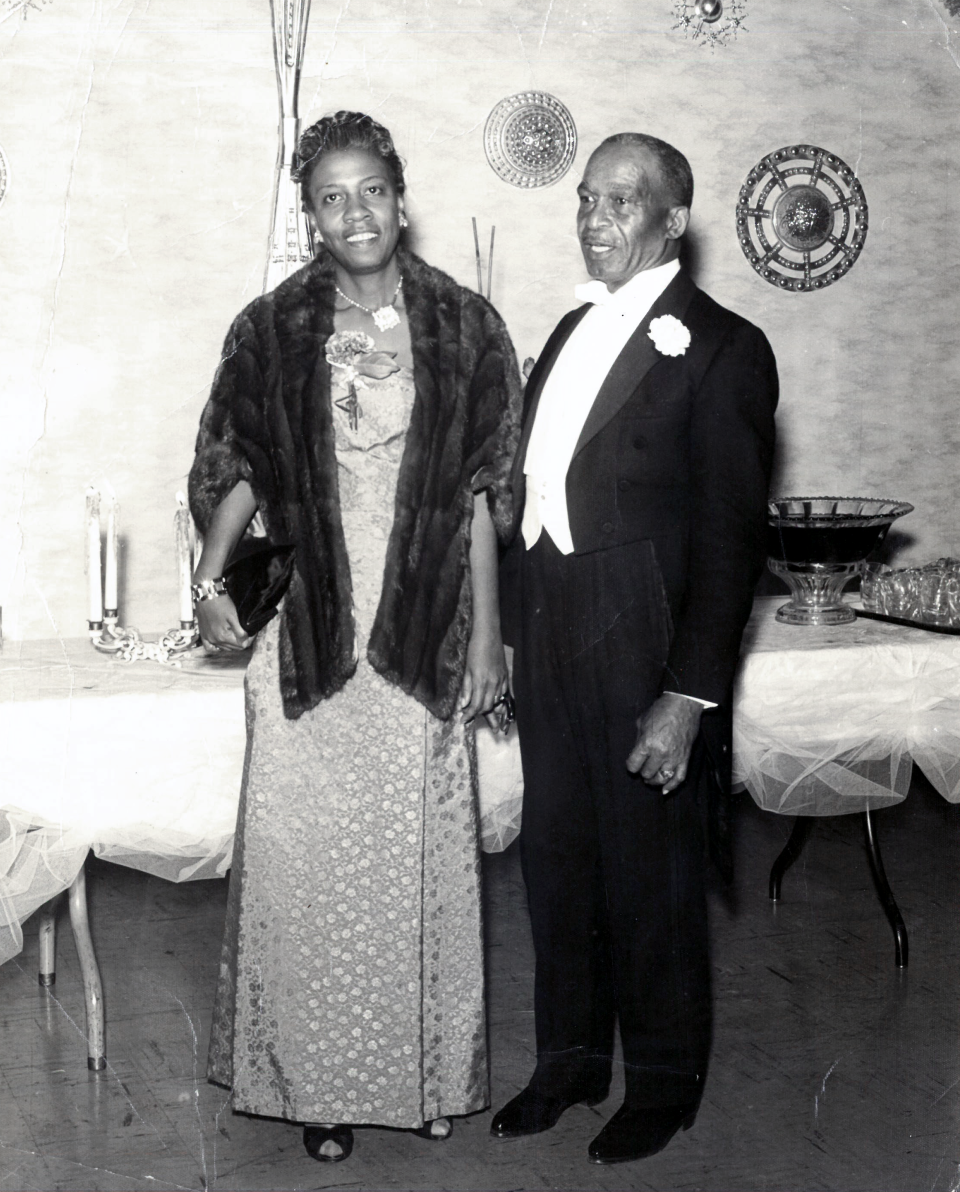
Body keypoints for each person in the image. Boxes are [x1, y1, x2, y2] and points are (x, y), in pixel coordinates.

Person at [188, 111, 521, 1164]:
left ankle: (424, 1073)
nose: (356, 211)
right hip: (310, 630)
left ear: (400, 195)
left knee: (415, 863)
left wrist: (485, 645)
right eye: (332, 196)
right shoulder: (271, 328)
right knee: (308, 867)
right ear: (312, 215)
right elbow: (238, 467)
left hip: (422, 626)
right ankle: (316, 1088)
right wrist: (207, 577)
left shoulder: (467, 327)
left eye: (371, 187)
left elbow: (482, 500)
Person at [492, 133, 778, 1164]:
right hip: (553, 621)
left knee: (652, 871)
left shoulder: (724, 347)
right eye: (587, 199)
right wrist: (509, 637)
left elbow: (731, 537)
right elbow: (531, 494)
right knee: (558, 858)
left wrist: (688, 696)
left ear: (671, 221)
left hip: (646, 632)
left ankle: (663, 1083)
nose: (596, 218)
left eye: (622, 201)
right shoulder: (570, 327)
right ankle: (569, 1061)